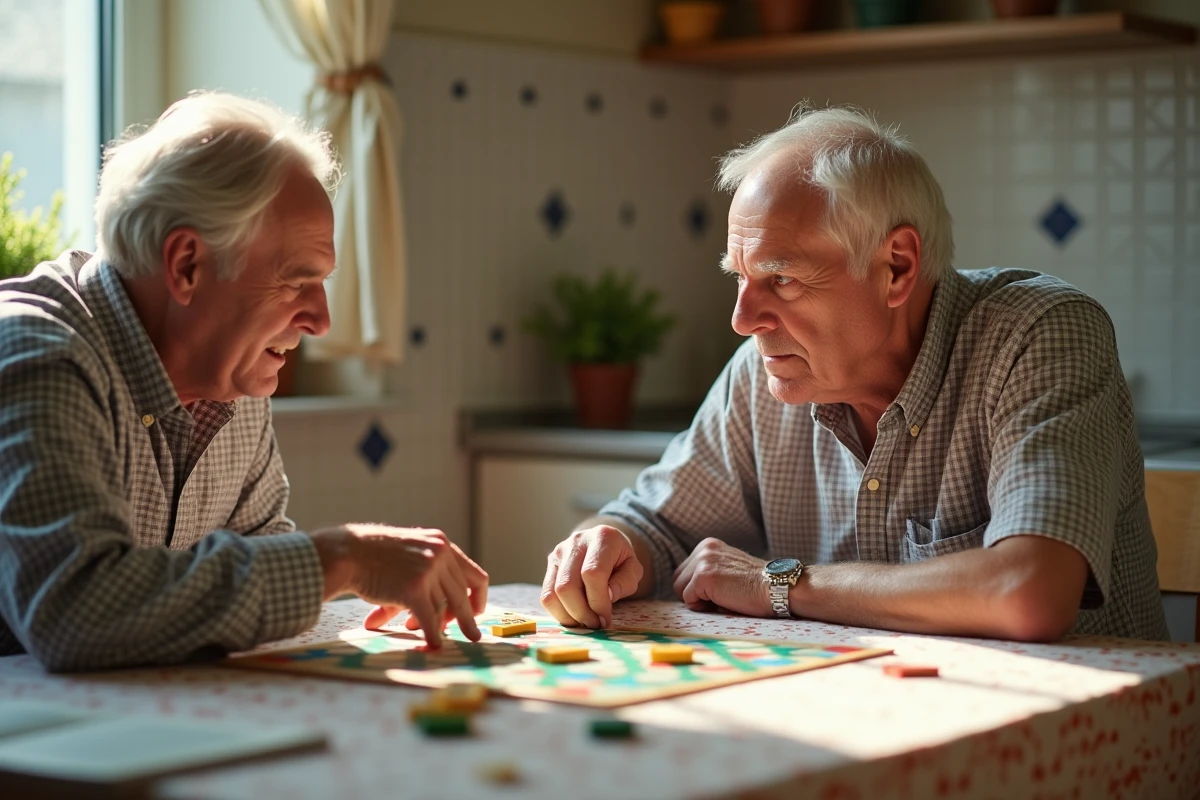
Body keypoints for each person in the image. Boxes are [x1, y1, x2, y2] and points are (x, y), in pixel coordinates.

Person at [541, 105, 1168, 643]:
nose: (742, 319)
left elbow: (1029, 591)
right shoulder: (764, 374)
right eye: (741, 277)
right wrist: (603, 546)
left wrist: (778, 584)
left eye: (781, 278)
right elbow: (654, 524)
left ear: (896, 267)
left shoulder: (1040, 333)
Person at [0, 92, 487, 673]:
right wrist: (343, 557)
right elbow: (75, 611)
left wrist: (343, 564)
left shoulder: (229, 379)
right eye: (296, 282)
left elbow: (255, 557)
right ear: (186, 264)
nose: (321, 321)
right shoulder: (35, 354)